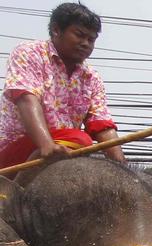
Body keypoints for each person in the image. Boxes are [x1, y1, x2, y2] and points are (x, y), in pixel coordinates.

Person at [0, 3, 124, 173]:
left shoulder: (91, 77)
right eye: (79, 35)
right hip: (16, 149)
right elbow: (26, 99)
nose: (85, 43)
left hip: (65, 150)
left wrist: (124, 170)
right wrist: (46, 145)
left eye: (91, 39)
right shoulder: (29, 53)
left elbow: (101, 125)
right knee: (80, 140)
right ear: (56, 30)